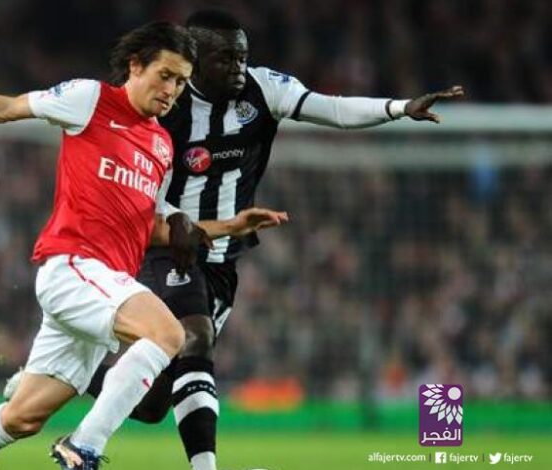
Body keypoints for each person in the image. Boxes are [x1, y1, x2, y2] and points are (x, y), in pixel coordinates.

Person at [0, 22, 285, 470]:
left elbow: (152, 227)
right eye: (164, 75)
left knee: (22, 417)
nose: (171, 91)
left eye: (181, 82)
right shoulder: (90, 100)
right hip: (74, 267)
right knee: (169, 334)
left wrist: (229, 226)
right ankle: (84, 446)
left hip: (102, 287)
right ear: (135, 65)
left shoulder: (161, 145)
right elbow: (7, 108)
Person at [81, 10, 465, 470]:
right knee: (194, 336)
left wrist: (399, 108)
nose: (239, 69)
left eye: (242, 57)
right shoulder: (167, 104)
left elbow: (334, 109)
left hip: (222, 258)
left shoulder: (264, 89)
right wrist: (172, 217)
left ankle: (74, 375)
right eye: (226, 59)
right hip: (167, 247)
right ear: (196, 61)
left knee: (152, 404)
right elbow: (137, 179)